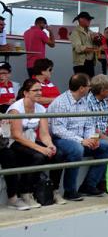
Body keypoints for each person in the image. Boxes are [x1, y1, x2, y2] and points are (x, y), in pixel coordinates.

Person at [49, 73, 108, 200]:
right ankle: (70, 190)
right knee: (77, 149)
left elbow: (89, 124)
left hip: (81, 139)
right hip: (61, 140)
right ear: (81, 88)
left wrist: (92, 138)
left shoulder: (84, 102)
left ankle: (89, 185)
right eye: (88, 86)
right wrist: (81, 141)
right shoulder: (61, 102)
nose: (90, 89)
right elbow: (58, 130)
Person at [8, 78, 66, 207]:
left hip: (30, 140)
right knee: (38, 156)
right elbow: (16, 135)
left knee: (58, 154)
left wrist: (50, 145)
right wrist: (40, 149)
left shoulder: (40, 109)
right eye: (36, 90)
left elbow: (44, 134)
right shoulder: (16, 109)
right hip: (14, 143)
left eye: (40, 89)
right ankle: (25, 192)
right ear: (26, 93)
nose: (40, 92)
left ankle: (55, 191)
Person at [69, 11, 98, 77]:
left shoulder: (91, 32)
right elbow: (78, 48)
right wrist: (95, 49)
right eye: (88, 19)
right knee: (81, 83)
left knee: (89, 84)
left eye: (90, 19)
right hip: (81, 63)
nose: (89, 21)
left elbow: (96, 45)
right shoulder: (75, 32)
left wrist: (97, 40)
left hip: (90, 62)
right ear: (81, 19)